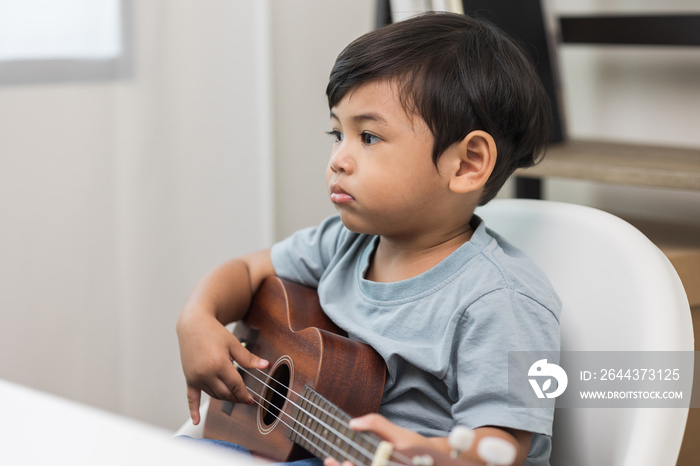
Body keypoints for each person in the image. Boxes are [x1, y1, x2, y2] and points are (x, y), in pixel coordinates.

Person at [176, 12, 560, 466]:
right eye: (338, 133)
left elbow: (501, 450)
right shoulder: (344, 242)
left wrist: (435, 456)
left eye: (369, 136)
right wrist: (198, 316)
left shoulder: (501, 300)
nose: (339, 159)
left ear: (466, 164)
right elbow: (247, 270)